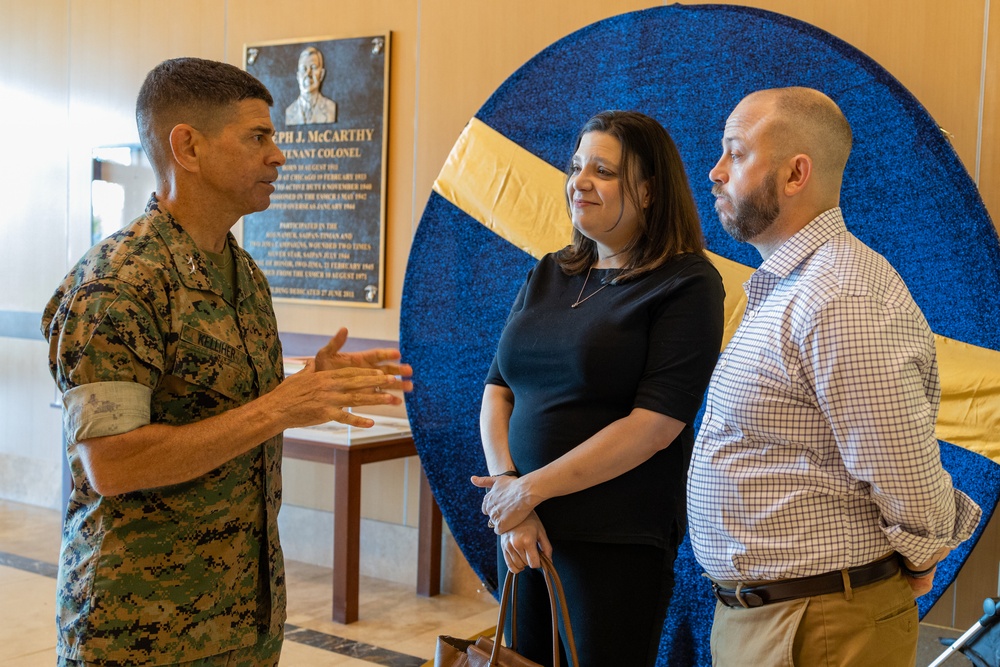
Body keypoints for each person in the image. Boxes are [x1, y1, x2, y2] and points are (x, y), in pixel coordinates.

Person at [40, 57, 411, 667]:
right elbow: (112, 463)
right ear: (186, 146)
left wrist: (305, 386)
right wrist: (277, 408)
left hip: (241, 620)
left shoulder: (243, 275)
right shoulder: (119, 283)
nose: (278, 156)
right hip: (140, 631)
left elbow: (228, 410)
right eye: (257, 137)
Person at [687, 87, 982, 667]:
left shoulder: (840, 296)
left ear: (796, 173)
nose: (715, 172)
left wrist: (919, 558)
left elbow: (907, 475)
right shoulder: (792, 286)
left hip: (818, 627)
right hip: (779, 617)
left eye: (736, 153)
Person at [472, 110, 726, 666]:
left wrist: (528, 491)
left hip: (613, 540)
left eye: (604, 171)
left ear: (649, 189)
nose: (579, 181)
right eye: (576, 165)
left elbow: (654, 426)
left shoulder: (687, 283)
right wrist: (511, 493)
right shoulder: (550, 271)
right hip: (519, 528)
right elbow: (497, 389)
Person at [285, 46, 338, 125]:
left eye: (313, 67)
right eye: (304, 69)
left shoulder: (330, 108)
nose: (308, 74)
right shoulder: (289, 112)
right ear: (298, 75)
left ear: (321, 74)